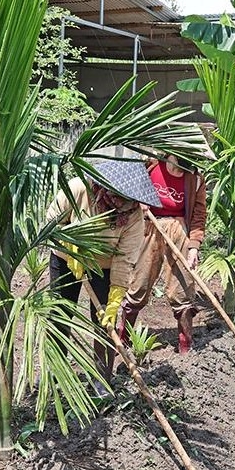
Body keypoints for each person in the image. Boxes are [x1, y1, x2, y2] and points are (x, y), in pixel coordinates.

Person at [46, 154, 161, 391]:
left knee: (103, 324)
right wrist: (69, 247)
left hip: (105, 267)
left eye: (127, 201)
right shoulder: (78, 188)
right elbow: (51, 223)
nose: (122, 204)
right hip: (66, 258)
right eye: (118, 197)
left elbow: (124, 259)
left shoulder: (133, 216)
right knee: (60, 314)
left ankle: (102, 378)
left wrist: (115, 298)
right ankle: (56, 372)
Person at [121, 154, 207, 353]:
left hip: (179, 229)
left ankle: (185, 345)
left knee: (183, 287)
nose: (181, 170)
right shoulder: (149, 166)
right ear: (172, 154)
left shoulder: (195, 179)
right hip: (149, 226)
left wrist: (194, 246)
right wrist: (138, 201)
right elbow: (126, 191)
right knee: (139, 283)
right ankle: (123, 337)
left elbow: (199, 214)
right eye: (179, 165)